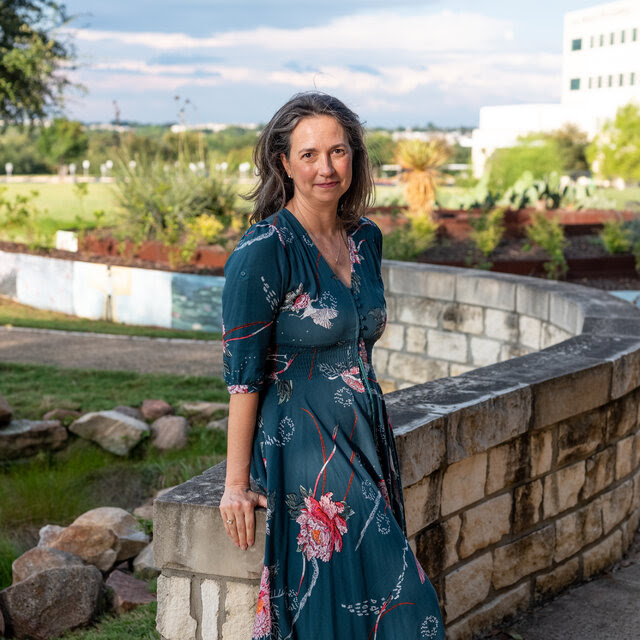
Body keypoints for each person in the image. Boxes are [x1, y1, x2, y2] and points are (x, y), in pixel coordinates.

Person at [219, 92, 444, 639]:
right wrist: (235, 482)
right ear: (283, 163)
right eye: (309, 154)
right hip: (304, 444)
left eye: (338, 151)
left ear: (354, 157)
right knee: (408, 602)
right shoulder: (263, 251)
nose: (325, 167)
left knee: (356, 600)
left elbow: (358, 344)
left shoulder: (366, 239)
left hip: (366, 431)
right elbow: (243, 376)